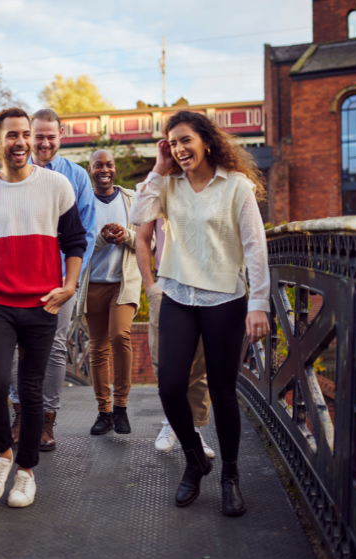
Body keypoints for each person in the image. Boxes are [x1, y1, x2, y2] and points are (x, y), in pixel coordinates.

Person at [129, 110, 270, 517]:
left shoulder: (236, 186)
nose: (179, 149)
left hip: (225, 297)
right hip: (177, 292)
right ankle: (195, 460)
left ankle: (229, 475)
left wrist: (258, 303)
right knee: (170, 386)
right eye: (172, 143)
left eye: (185, 140)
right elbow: (138, 217)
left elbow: (255, 246)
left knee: (224, 392)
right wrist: (158, 169)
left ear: (206, 141)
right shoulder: (167, 185)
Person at [0, 108, 86, 508]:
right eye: (13, 135)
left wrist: (69, 286)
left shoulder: (58, 185)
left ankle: (26, 472)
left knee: (31, 392)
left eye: (26, 134)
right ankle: (2, 456)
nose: (22, 142)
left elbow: (74, 242)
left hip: (43, 303)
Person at [8, 109, 97, 452]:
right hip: (19, 277)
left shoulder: (76, 177)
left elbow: (86, 232)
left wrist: (68, 279)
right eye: (37, 136)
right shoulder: (13, 174)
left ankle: (46, 422)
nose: (43, 143)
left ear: (61, 134)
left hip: (61, 277)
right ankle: (20, 416)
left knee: (56, 347)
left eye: (50, 136)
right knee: (20, 345)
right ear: (28, 135)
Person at [135, 220, 215, 458]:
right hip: (167, 284)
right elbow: (142, 237)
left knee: (200, 361)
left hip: (207, 282)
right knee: (165, 360)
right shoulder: (160, 185)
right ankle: (174, 420)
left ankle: (195, 428)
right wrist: (150, 286)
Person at [76, 149, 141, 435]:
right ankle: (104, 412)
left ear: (115, 169)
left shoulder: (131, 200)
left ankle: (122, 408)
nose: (105, 169)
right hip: (92, 286)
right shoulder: (81, 202)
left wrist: (126, 235)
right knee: (98, 347)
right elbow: (74, 246)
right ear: (90, 170)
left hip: (123, 283)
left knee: (120, 335)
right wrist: (100, 239)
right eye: (98, 165)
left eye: (110, 164)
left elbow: (148, 243)